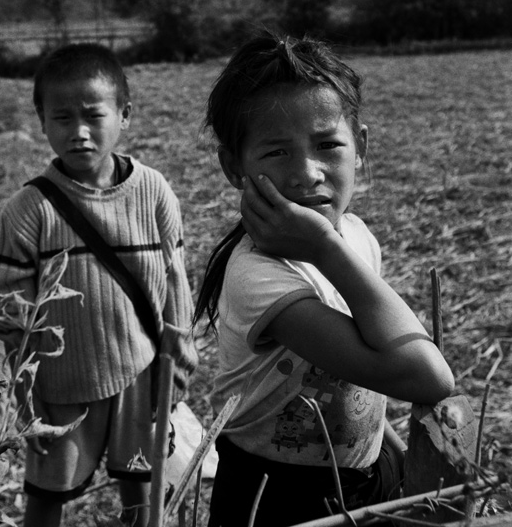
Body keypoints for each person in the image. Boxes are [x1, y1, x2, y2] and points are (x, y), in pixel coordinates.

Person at [193, 31, 454, 527]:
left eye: (328, 144)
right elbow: (430, 377)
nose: (308, 172)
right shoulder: (260, 277)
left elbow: (372, 363)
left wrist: (388, 453)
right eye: (276, 153)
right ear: (234, 167)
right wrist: (324, 248)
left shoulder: (354, 235)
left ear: (361, 148)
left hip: (364, 472)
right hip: (275, 494)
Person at [0, 43, 198, 527]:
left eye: (92, 115)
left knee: (141, 495)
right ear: (41, 122)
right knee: (46, 496)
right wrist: (25, 400)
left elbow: (176, 292)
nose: (78, 132)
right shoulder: (29, 211)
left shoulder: (153, 193)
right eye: (61, 118)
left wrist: (177, 376)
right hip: (60, 386)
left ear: (124, 115)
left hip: (140, 378)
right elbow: (9, 316)